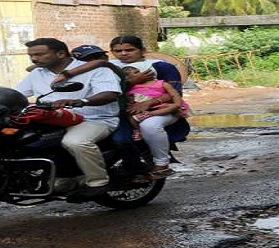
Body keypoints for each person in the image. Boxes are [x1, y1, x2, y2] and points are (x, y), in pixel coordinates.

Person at [56, 36, 190, 179]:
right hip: (111, 110)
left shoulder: (160, 66)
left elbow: (174, 92)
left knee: (126, 138)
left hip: (152, 110)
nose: (124, 54)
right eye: (118, 51)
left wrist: (147, 103)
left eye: (129, 49)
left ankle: (149, 166)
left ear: (143, 50)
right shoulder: (109, 66)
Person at [15, 38, 122, 201]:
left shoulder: (97, 70)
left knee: (75, 141)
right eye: (31, 55)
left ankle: (98, 182)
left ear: (60, 53)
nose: (34, 59)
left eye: (39, 54)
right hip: (52, 119)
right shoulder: (37, 73)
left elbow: (109, 94)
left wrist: (81, 101)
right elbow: (17, 95)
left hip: (93, 118)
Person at [120, 62, 189, 177]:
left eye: (137, 72)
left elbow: (175, 96)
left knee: (149, 125)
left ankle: (162, 163)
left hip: (164, 109)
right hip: (143, 112)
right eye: (130, 75)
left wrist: (175, 106)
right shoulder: (132, 88)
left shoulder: (162, 84)